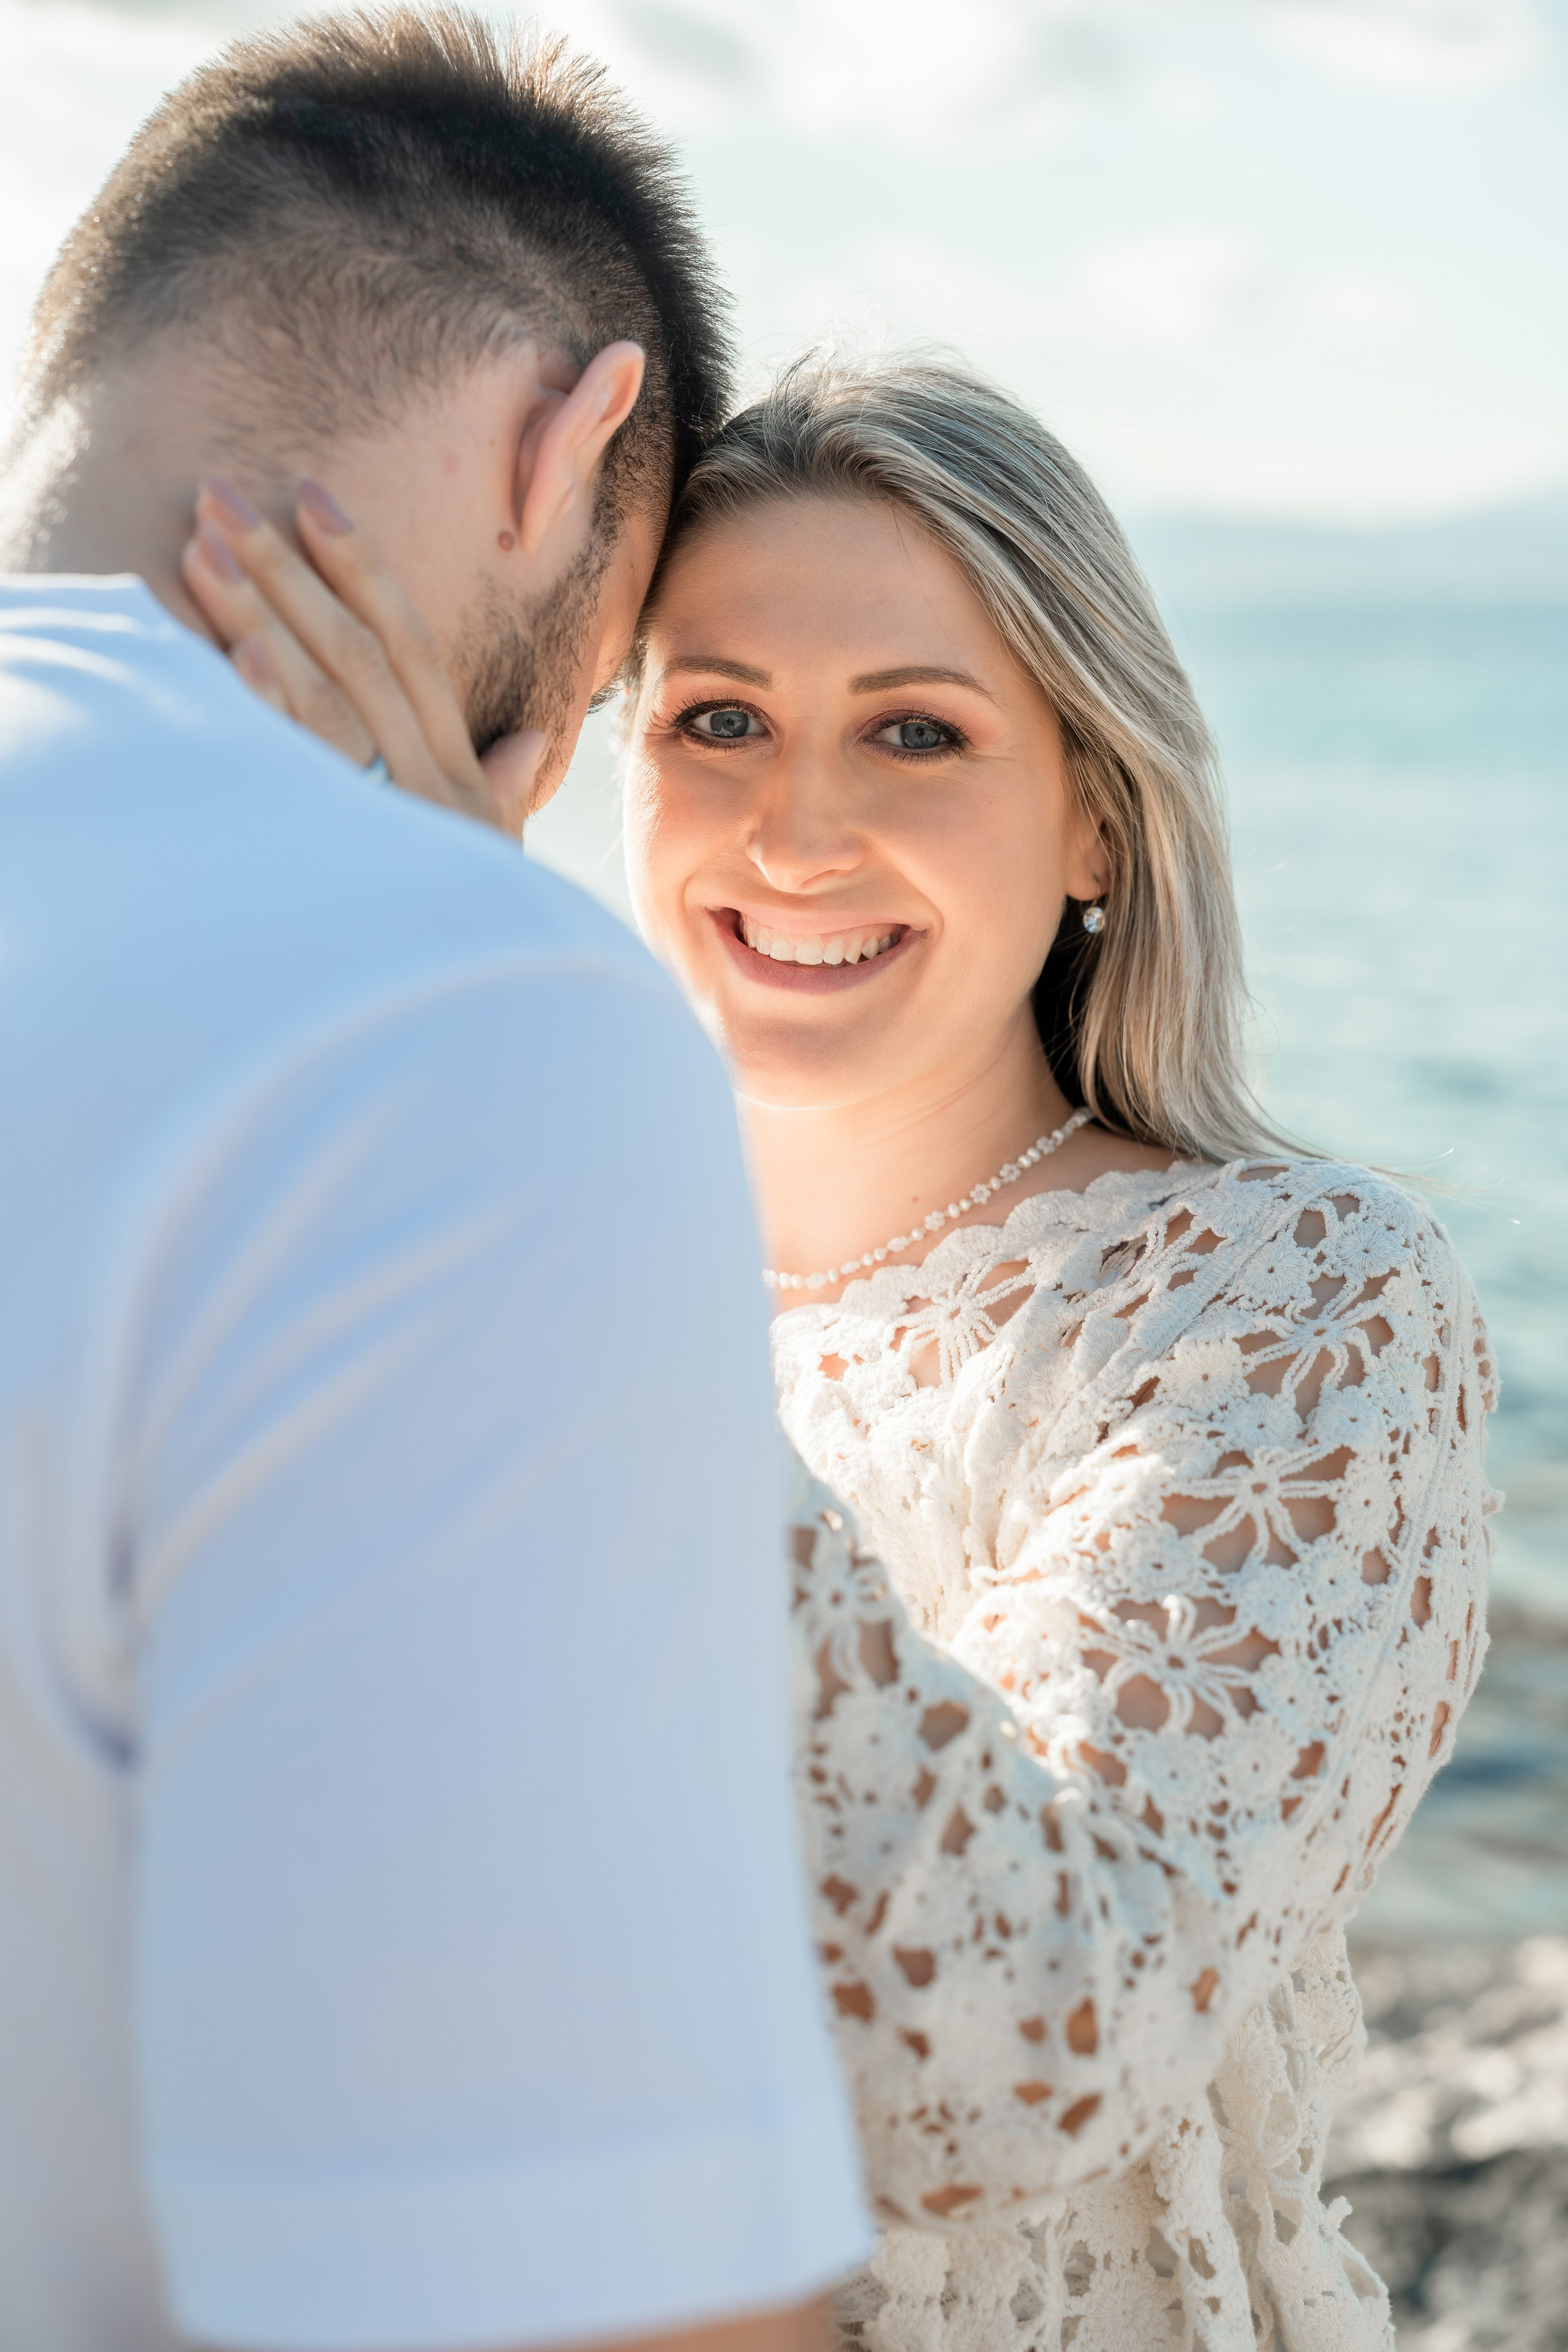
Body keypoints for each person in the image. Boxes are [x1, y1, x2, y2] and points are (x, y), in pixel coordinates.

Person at [222, 357, 1498, 2352]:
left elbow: (1008, 2053)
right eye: (719, 719)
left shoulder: (1302, 1299)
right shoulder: (476, 1270)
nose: (797, 829)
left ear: (1096, 817)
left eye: (915, 732)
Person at [0, 17, 872, 2352]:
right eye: (643, 673)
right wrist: (448, 924)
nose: (560, 750)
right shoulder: (454, 1021)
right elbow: (579, 2306)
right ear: (565, 437)